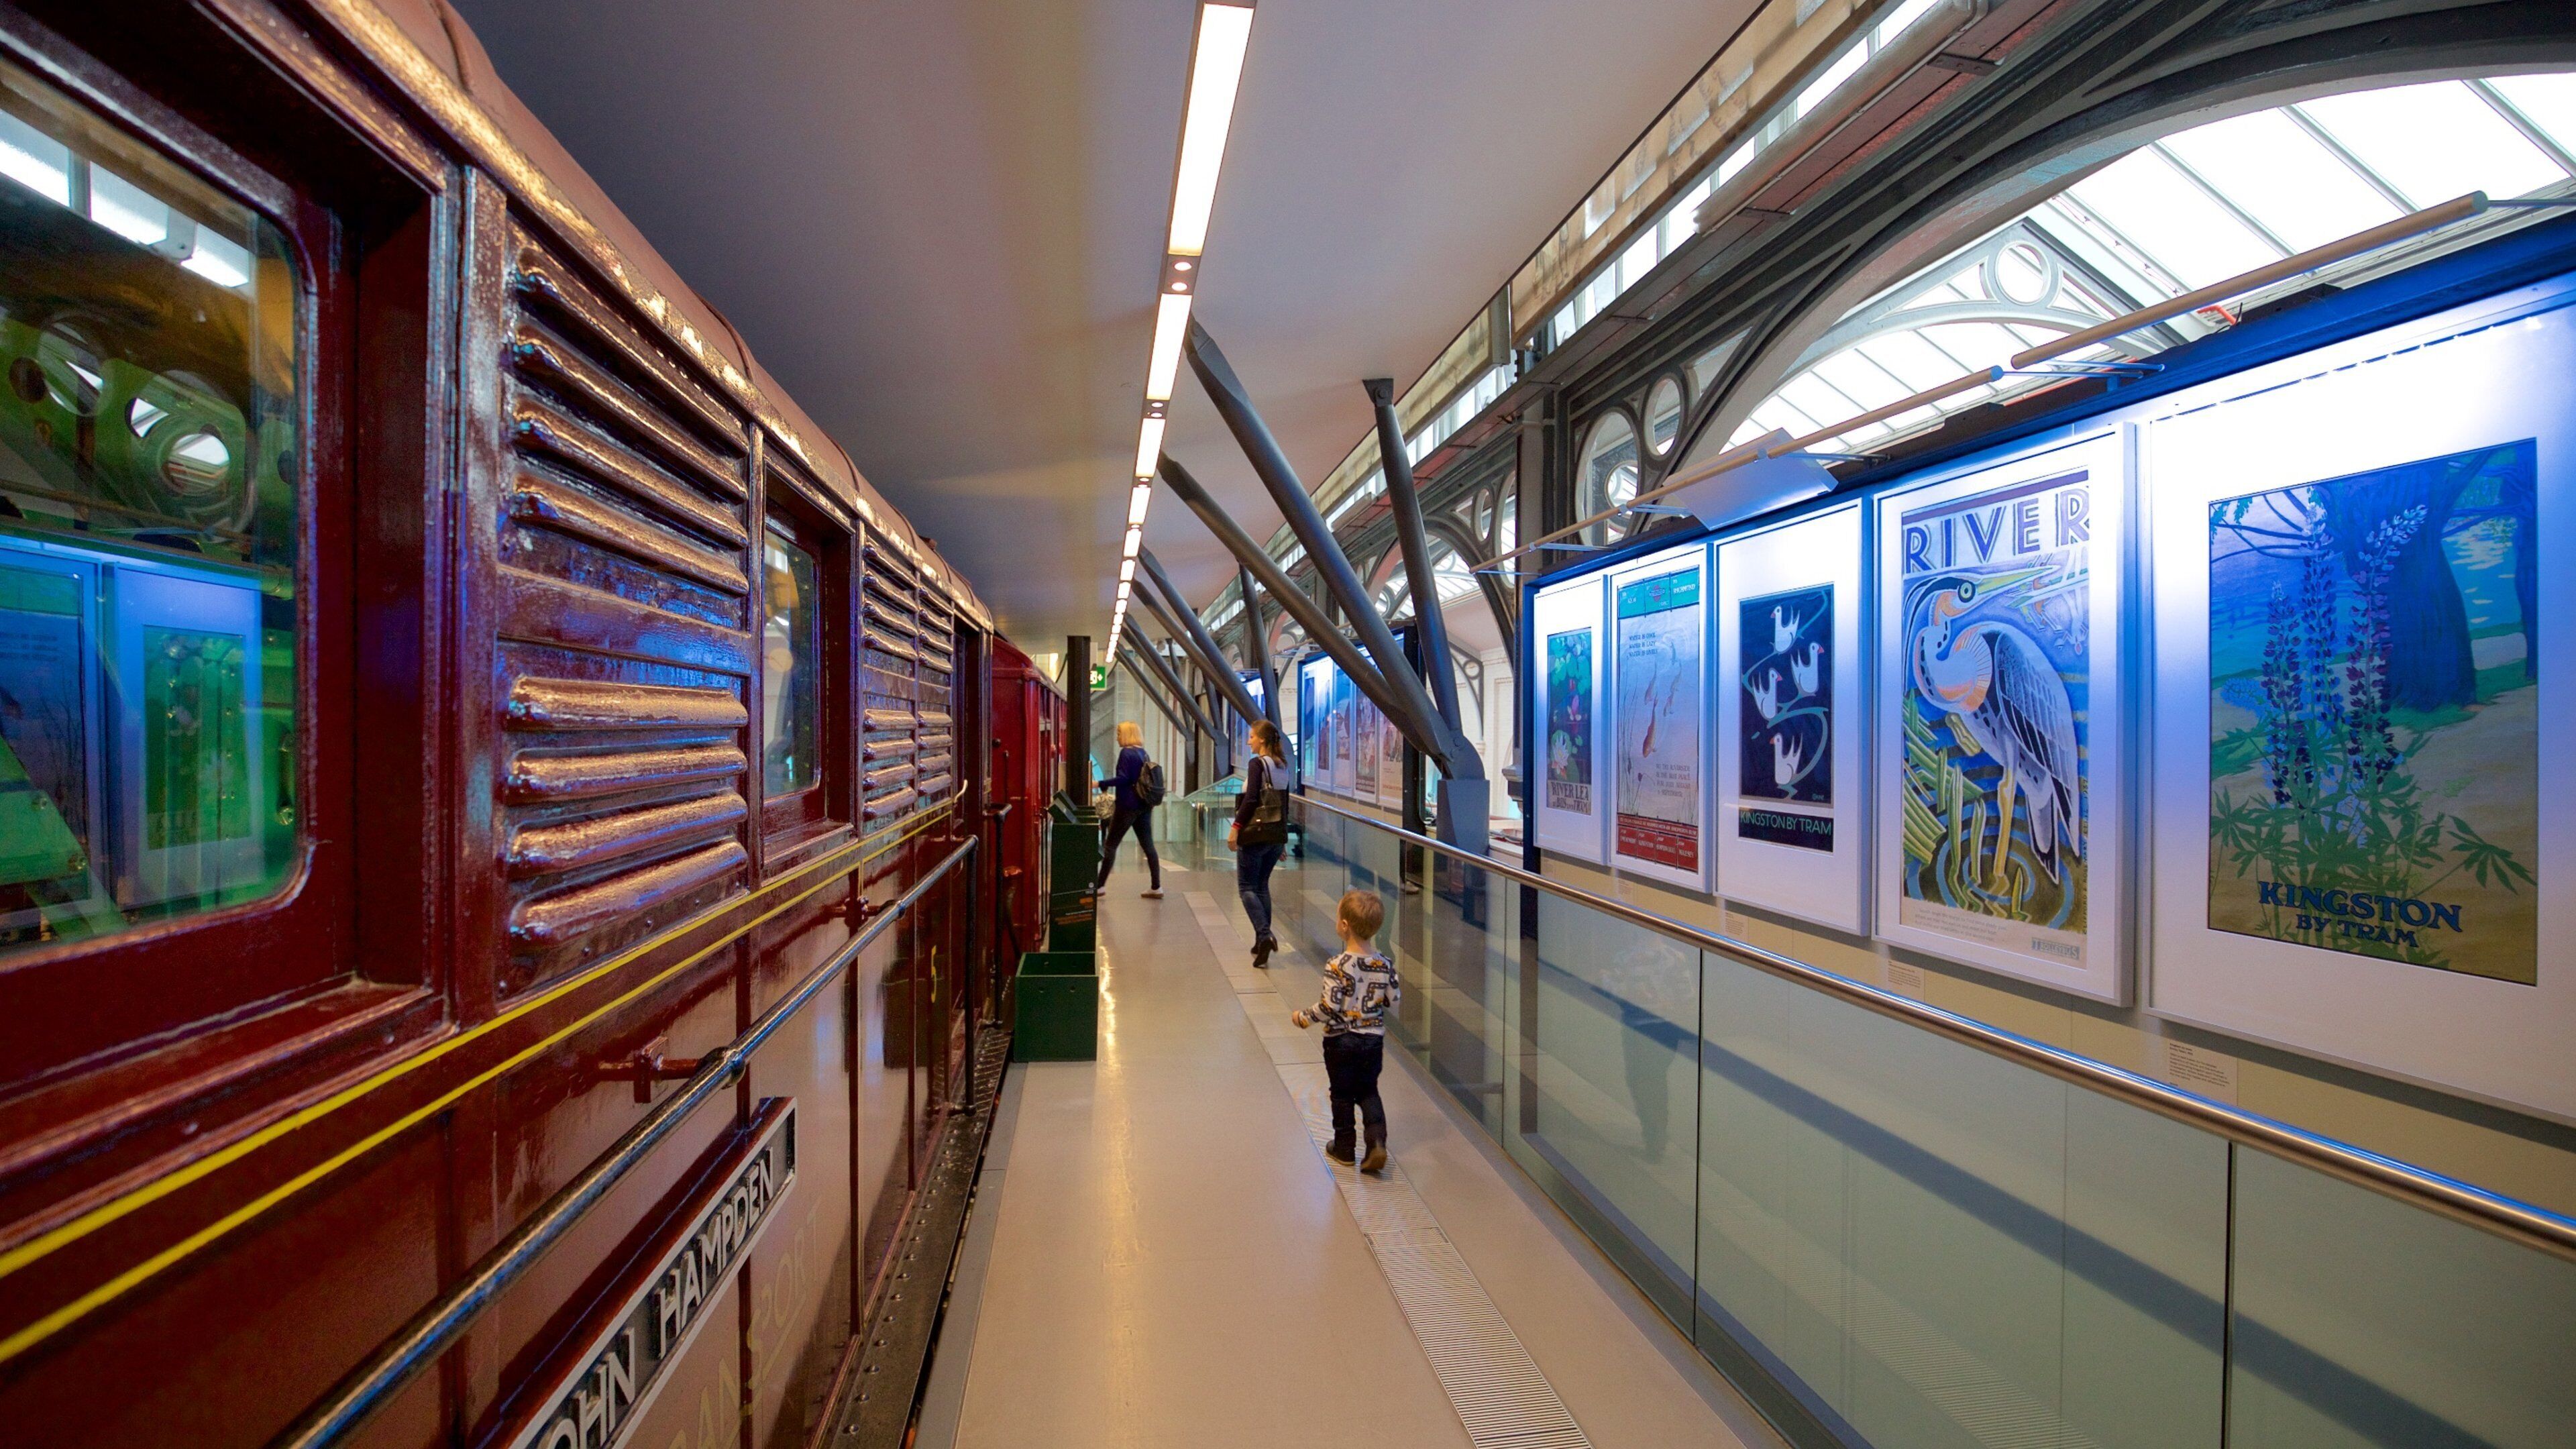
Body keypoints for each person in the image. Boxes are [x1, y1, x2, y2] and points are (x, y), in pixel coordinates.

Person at [1290, 890, 1399, 1173]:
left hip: (1341, 1041)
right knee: (1368, 1091)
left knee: (1341, 1094)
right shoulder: (1385, 963)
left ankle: (1345, 1148)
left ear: (1345, 926)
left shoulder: (1337, 965)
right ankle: (1376, 1143)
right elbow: (1393, 999)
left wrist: (1303, 1017)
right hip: (1372, 1040)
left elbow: (1329, 1006)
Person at [1230, 719, 1291, 967]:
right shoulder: (1282, 765)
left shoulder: (1257, 764)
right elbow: (1284, 804)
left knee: (1246, 888)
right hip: (1275, 836)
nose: (1249, 741)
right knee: (1262, 886)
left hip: (1254, 834)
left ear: (1262, 740)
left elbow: (1252, 798)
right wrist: (1282, 839)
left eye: (1252, 737)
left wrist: (1235, 828)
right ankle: (1260, 941)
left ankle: (1265, 936)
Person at [1093, 720, 1162, 899]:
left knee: (1111, 845)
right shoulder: (1143, 753)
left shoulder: (1126, 753)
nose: (1117, 737)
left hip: (1127, 805)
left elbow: (1123, 779)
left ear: (1126, 734)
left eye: (1118, 734)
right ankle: (1156, 887)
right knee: (1148, 846)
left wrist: (1100, 783)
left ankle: (1099, 886)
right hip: (1144, 805)